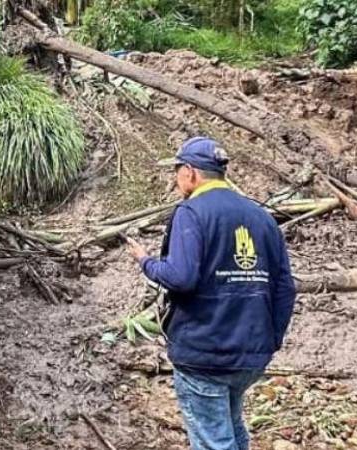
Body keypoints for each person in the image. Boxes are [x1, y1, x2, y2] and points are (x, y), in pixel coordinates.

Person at [124, 137, 297, 450]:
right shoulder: (261, 216)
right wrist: (271, 339)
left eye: (176, 171)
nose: (175, 179)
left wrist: (146, 262)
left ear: (190, 173)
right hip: (250, 353)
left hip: (205, 352)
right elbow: (285, 287)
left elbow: (181, 277)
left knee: (213, 441)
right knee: (232, 429)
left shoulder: (191, 213)